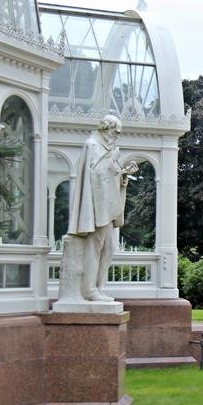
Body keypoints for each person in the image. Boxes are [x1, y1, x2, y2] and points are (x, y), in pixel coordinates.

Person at [67, 115, 138, 302]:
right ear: (106, 128)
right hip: (96, 205)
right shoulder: (92, 145)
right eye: (116, 132)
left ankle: (98, 288)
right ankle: (89, 290)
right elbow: (93, 174)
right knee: (95, 245)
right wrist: (111, 160)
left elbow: (109, 174)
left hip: (106, 204)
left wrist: (123, 175)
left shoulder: (107, 148)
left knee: (110, 248)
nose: (117, 136)